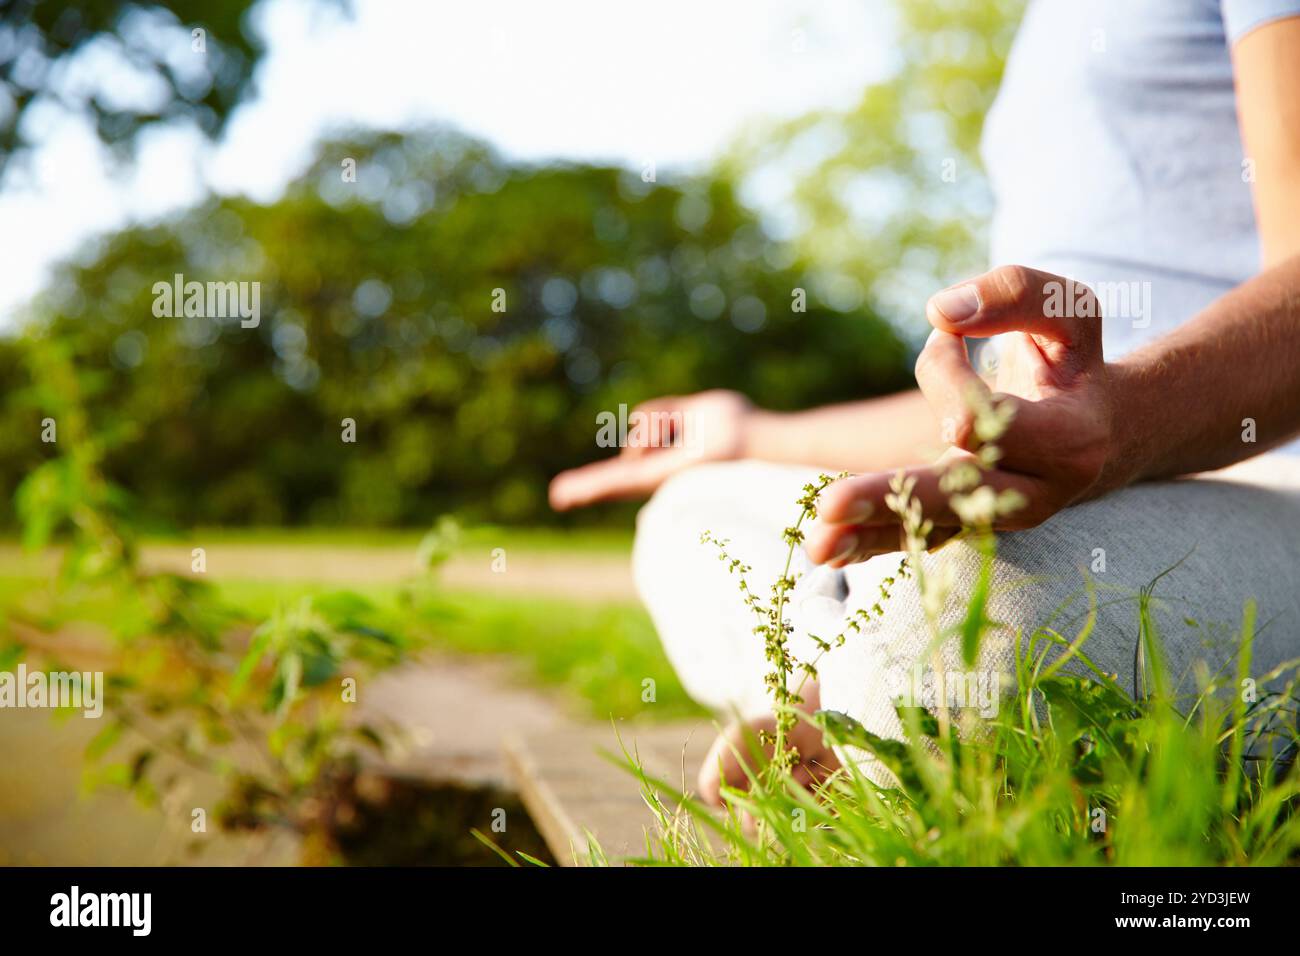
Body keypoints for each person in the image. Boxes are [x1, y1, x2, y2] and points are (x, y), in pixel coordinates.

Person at [550, 1, 1300, 798]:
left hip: (1264, 474)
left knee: (976, 620)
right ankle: (859, 699)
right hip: (1091, 475)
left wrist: (1125, 421)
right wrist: (748, 433)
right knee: (692, 514)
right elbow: (1007, 420)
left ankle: (861, 701)